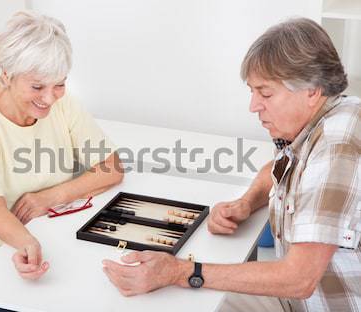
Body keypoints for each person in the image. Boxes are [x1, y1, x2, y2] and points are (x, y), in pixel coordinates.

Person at [103, 17, 360, 312]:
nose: (253, 106)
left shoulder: (336, 143)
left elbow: (299, 278)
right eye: (252, 92)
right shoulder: (311, 124)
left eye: (265, 93)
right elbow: (277, 170)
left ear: (312, 91)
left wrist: (182, 271)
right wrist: (246, 203)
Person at [0, 11, 123, 312]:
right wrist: (27, 243)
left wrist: (47, 197)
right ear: (7, 74)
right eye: (37, 87)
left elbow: (112, 167)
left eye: (59, 84)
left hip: (54, 238)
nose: (50, 98)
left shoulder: (64, 105)